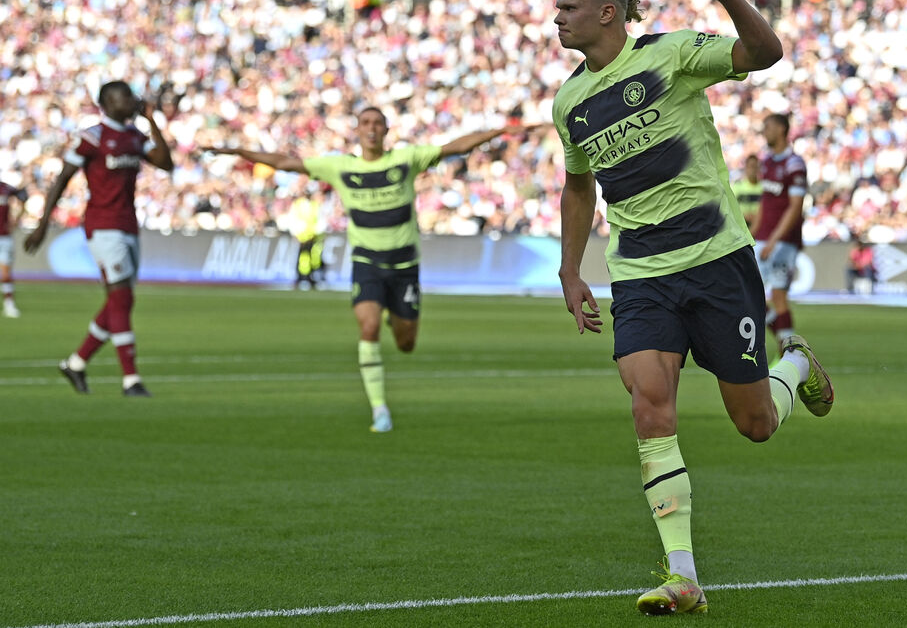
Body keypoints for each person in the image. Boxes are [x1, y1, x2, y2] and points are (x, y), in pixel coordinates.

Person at [552, 0, 835, 617]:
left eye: (569, 8)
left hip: (715, 261)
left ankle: (794, 366)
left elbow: (765, 54)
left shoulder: (670, 54)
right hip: (641, 274)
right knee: (649, 402)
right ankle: (683, 574)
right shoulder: (571, 103)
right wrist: (571, 269)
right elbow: (577, 187)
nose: (556, 18)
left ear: (609, 12)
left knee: (755, 424)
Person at [203, 106, 523, 433]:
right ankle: (379, 409)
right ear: (357, 130)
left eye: (378, 124)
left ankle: (391, 314)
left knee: (406, 342)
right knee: (367, 327)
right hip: (367, 263)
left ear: (386, 130)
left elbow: (456, 147)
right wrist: (238, 151)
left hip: (404, 267)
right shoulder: (339, 167)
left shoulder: (405, 160)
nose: (371, 129)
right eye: (365, 123)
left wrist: (498, 132)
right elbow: (285, 162)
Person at [23, 81, 175, 396]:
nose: (132, 101)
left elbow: (165, 163)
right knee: (121, 298)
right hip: (102, 226)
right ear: (106, 103)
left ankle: (76, 364)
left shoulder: (134, 136)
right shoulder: (92, 138)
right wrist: (42, 223)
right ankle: (130, 380)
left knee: (122, 299)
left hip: (129, 225)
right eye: (125, 97)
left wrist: (151, 120)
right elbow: (63, 178)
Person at [751, 113, 808, 352]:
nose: (765, 131)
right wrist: (754, 233)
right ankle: (787, 348)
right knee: (750, 294)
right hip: (764, 238)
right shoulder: (767, 162)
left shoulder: (794, 164)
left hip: (783, 242)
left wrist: (774, 240)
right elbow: (765, 202)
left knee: (778, 296)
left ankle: (790, 354)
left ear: (782, 130)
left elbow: (796, 207)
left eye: (769, 127)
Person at [0, 179, 28, 318]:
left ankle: (9, 304)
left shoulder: (6, 188)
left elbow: (23, 195)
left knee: (5, 273)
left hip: (4, 236)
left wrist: (17, 220)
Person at [731, 154, 763, 228]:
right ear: (746, 168)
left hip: (758, 227)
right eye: (751, 166)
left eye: (755, 167)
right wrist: (744, 216)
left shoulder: (763, 188)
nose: (753, 169)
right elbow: (730, 207)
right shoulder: (737, 186)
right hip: (741, 227)